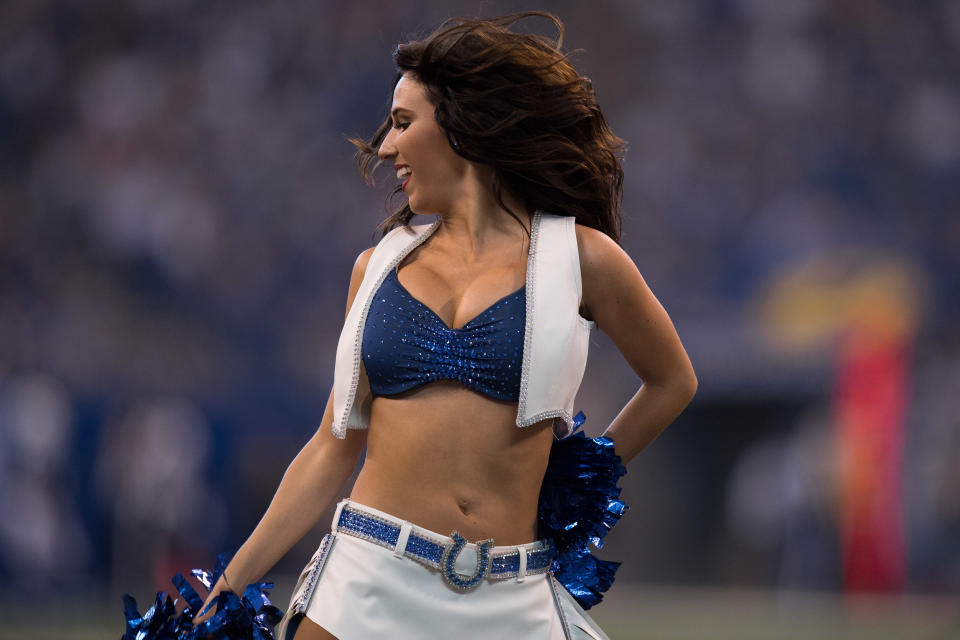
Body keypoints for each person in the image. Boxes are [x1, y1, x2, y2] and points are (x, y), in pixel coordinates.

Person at [194, 11, 697, 639]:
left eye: (404, 123)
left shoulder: (583, 258)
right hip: (368, 577)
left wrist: (584, 475)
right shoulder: (374, 268)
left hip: (512, 593)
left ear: (463, 125)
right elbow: (333, 444)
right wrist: (231, 584)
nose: (385, 147)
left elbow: (671, 381)